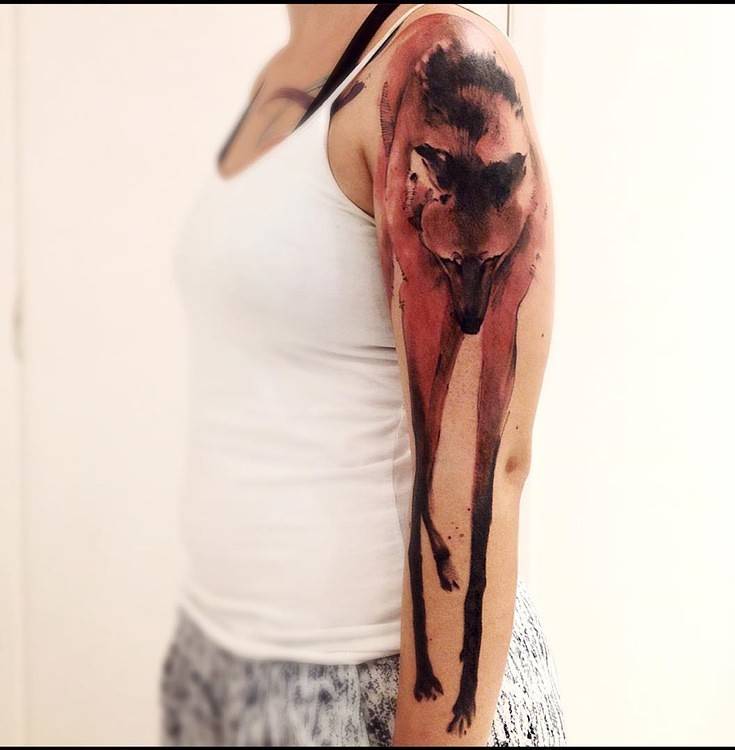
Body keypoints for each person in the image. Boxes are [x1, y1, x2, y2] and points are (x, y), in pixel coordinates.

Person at [160, 3, 565, 746]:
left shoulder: (441, 57)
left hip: (380, 693)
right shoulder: (285, 69)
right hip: (229, 674)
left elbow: (482, 465)